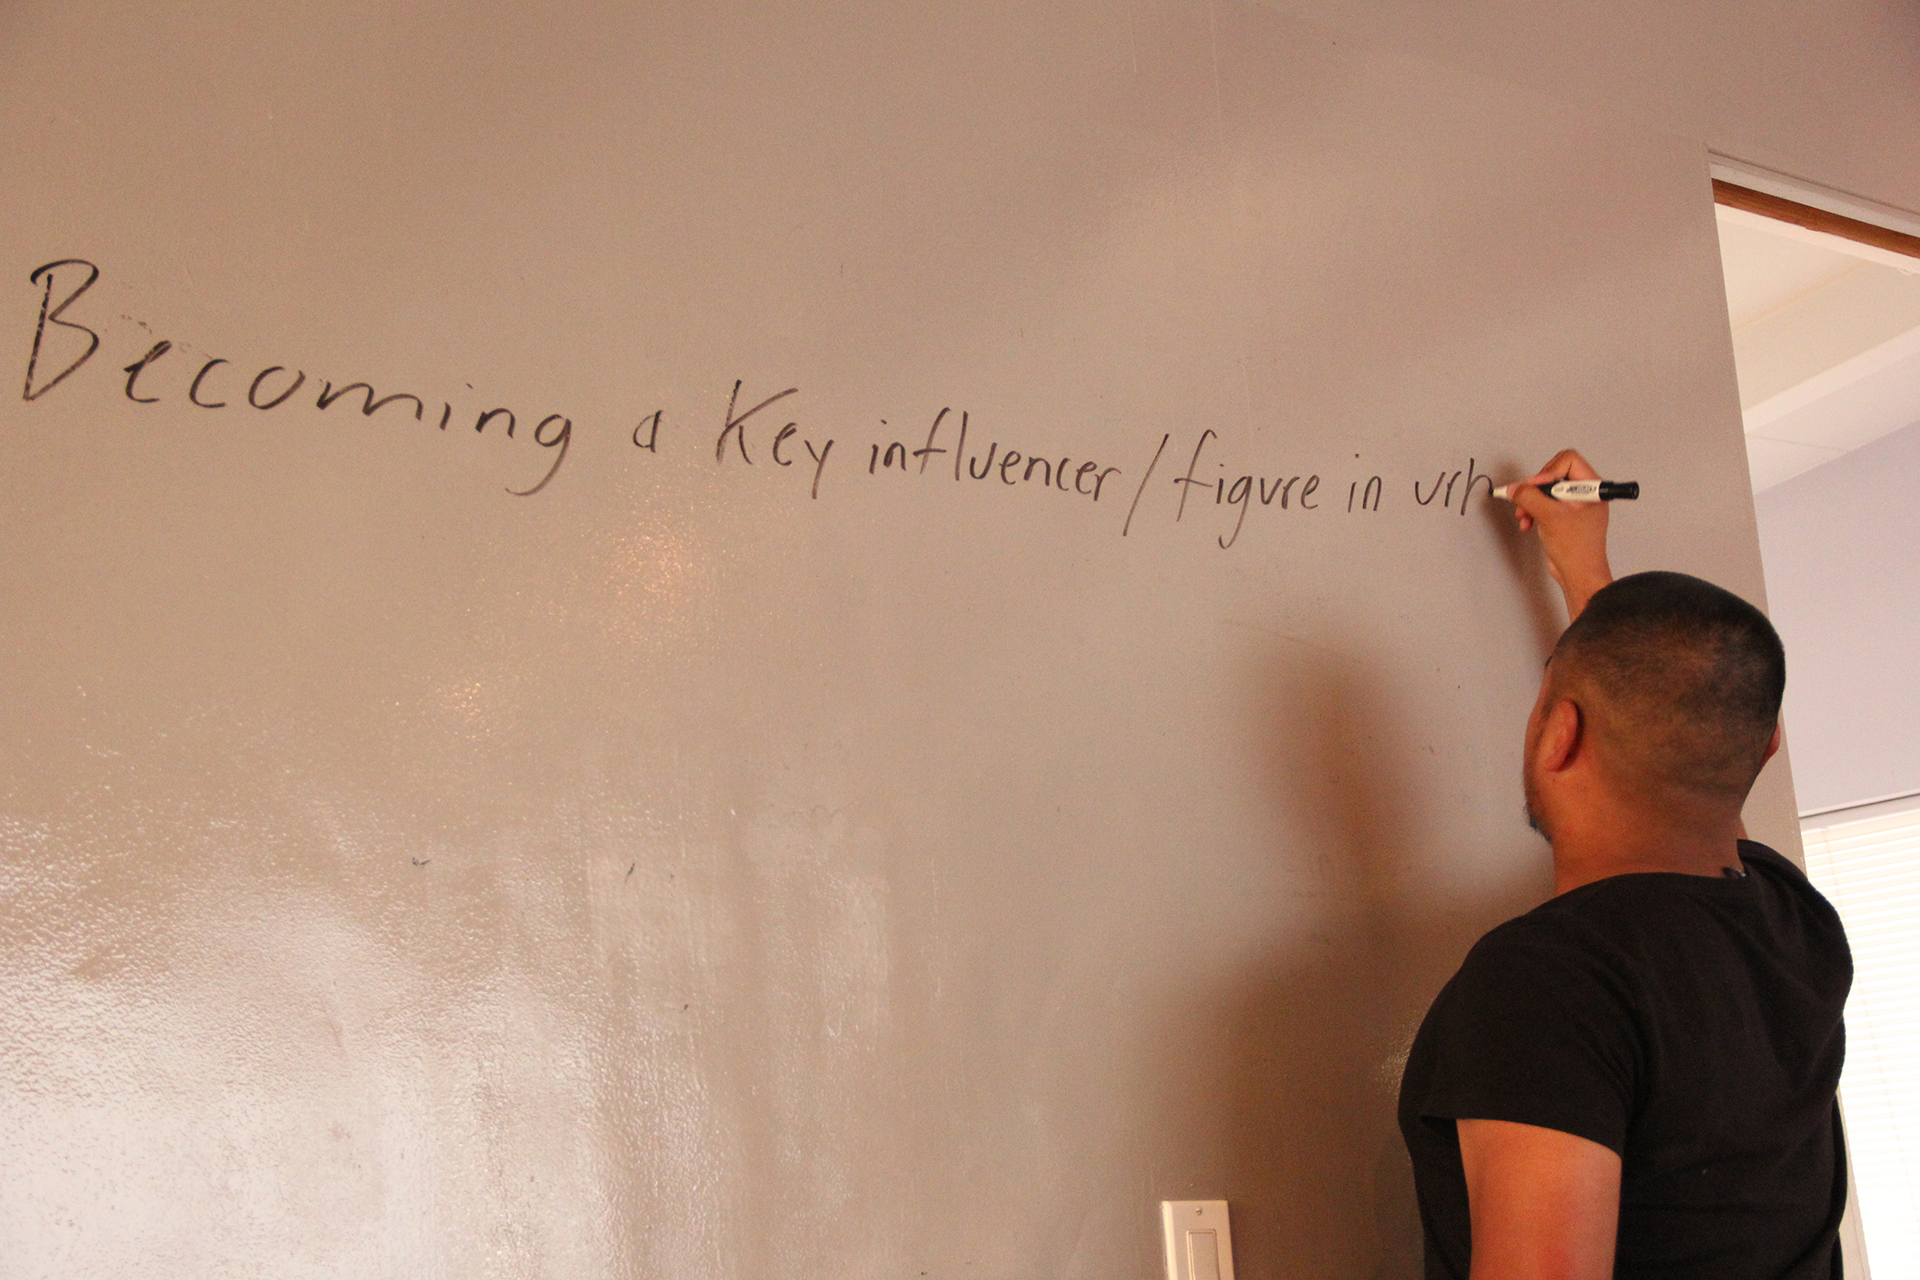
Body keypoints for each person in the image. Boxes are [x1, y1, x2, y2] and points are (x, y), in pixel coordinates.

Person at [1396, 449, 1851, 1279]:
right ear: (1766, 748)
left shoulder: (1548, 981)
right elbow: (1684, 753)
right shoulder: (1793, 922)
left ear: (1560, 733)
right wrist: (1586, 571)